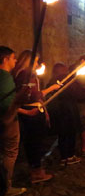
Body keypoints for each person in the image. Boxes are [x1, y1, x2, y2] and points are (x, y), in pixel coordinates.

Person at [12, 50, 60, 184]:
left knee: (35, 142)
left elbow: (36, 94)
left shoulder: (28, 75)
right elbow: (31, 96)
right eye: (36, 61)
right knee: (35, 143)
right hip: (30, 111)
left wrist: (44, 106)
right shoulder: (25, 75)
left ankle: (36, 170)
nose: (38, 63)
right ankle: (36, 173)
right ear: (30, 61)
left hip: (34, 109)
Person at [47, 63, 85, 166]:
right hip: (68, 111)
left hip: (57, 111)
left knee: (62, 135)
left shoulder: (51, 81)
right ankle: (69, 156)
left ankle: (64, 156)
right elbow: (77, 94)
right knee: (70, 133)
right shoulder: (66, 80)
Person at [0, 46, 27, 196]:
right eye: (13, 58)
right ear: (5, 59)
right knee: (10, 153)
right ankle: (5, 186)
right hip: (7, 122)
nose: (15, 61)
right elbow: (6, 105)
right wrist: (20, 100)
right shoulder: (5, 77)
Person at [70, 54, 85, 157]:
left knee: (82, 125)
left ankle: (82, 147)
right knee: (84, 124)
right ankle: (84, 148)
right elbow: (79, 86)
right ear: (82, 60)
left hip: (81, 99)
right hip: (80, 101)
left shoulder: (82, 70)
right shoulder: (79, 70)